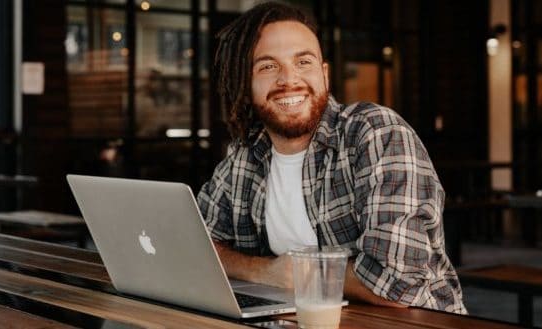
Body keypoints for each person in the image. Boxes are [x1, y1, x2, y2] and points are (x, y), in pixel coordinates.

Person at [197, 1, 466, 314]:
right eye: (268, 66)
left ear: (324, 74)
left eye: (303, 62)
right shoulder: (245, 157)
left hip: (412, 322)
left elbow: (396, 284)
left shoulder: (374, 132)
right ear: (247, 84)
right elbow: (198, 244)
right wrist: (263, 271)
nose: (289, 79)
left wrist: (298, 273)